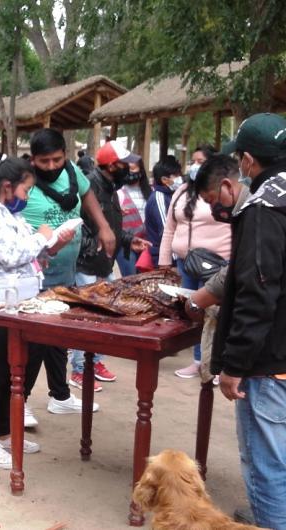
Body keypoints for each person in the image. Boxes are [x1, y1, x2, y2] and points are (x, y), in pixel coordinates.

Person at [197, 114, 286, 529]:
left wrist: (233, 366)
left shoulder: (263, 206)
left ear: (248, 161)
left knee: (266, 465)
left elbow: (257, 291)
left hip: (269, 362)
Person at [0, 154, 75, 469]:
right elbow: (11, 255)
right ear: (6, 186)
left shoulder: (8, 214)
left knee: (22, 371)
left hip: (23, 304)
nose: (26, 198)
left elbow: (29, 253)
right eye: (25, 191)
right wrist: (43, 237)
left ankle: (4, 433)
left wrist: (52, 243)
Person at [22, 128, 114, 418]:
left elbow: (86, 194)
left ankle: (59, 395)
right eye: (44, 161)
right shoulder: (24, 180)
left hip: (66, 273)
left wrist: (104, 226)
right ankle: (20, 400)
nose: (51, 166)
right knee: (35, 341)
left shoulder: (72, 172)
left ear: (66, 155)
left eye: (57, 159)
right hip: (35, 276)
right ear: (33, 159)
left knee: (59, 338)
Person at [69, 141, 151, 391]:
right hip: (86, 264)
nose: (132, 168)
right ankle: (79, 369)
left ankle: (95, 362)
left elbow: (110, 228)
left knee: (102, 316)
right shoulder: (89, 187)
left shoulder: (112, 187)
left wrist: (127, 240)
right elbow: (76, 225)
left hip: (104, 263)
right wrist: (91, 246)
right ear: (113, 165)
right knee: (87, 318)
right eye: (128, 164)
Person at [159, 151, 231, 379]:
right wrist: (164, 262)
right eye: (194, 161)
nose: (196, 165)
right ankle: (198, 360)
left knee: (215, 314)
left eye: (202, 162)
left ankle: (216, 364)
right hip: (185, 263)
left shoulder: (222, 194)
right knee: (192, 312)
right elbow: (169, 228)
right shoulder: (181, 191)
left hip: (217, 264)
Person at [115, 159, 152, 276]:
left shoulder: (150, 192)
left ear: (141, 170)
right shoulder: (118, 193)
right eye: (127, 169)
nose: (129, 172)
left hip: (147, 244)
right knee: (130, 279)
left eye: (133, 168)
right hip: (126, 246)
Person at [144, 156, 182, 267]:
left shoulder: (171, 194)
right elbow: (166, 231)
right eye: (176, 175)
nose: (180, 178)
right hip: (166, 258)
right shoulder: (158, 198)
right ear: (164, 180)